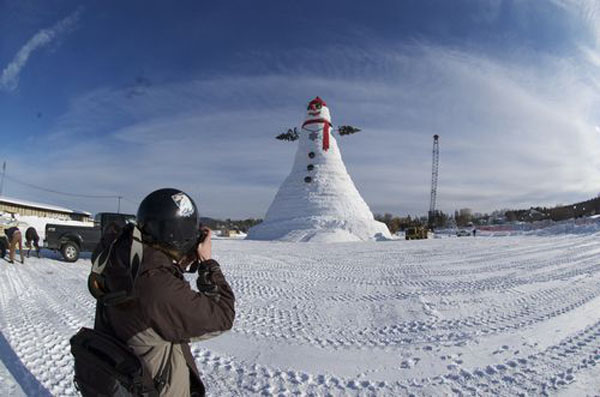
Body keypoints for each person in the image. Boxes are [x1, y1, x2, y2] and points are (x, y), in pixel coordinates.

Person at [92, 188, 235, 396]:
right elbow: (222, 315)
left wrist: (178, 260)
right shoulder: (157, 286)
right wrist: (208, 263)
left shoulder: (123, 261)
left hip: (128, 379)